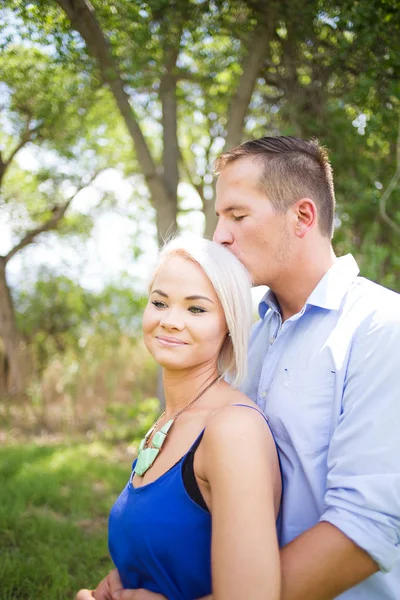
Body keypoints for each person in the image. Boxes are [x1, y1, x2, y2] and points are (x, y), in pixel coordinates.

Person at [76, 236, 281, 600]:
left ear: (230, 324)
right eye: (159, 302)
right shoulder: (170, 419)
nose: (170, 321)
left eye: (196, 309)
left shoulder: (233, 431)